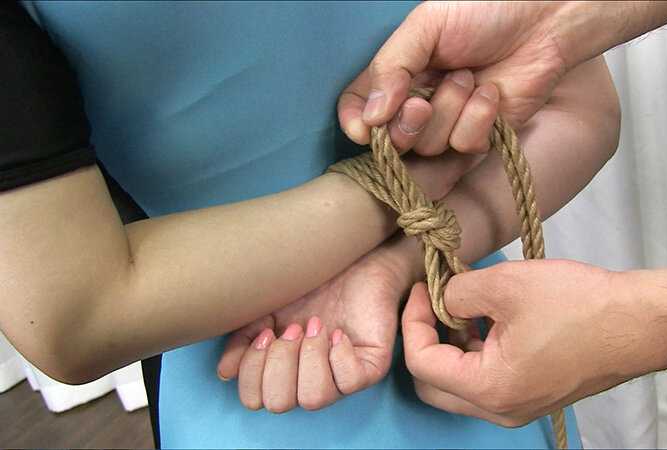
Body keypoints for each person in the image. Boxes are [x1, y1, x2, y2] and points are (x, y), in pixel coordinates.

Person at [0, 2, 620, 447]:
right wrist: (417, 186)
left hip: (294, 368)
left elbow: (77, 314)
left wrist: (391, 255)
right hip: (457, 338)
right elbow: (74, 321)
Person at [325, 0, 667, 428]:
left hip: (464, 343)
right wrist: (551, 24)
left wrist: (630, 324)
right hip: (443, 329)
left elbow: (585, 113)